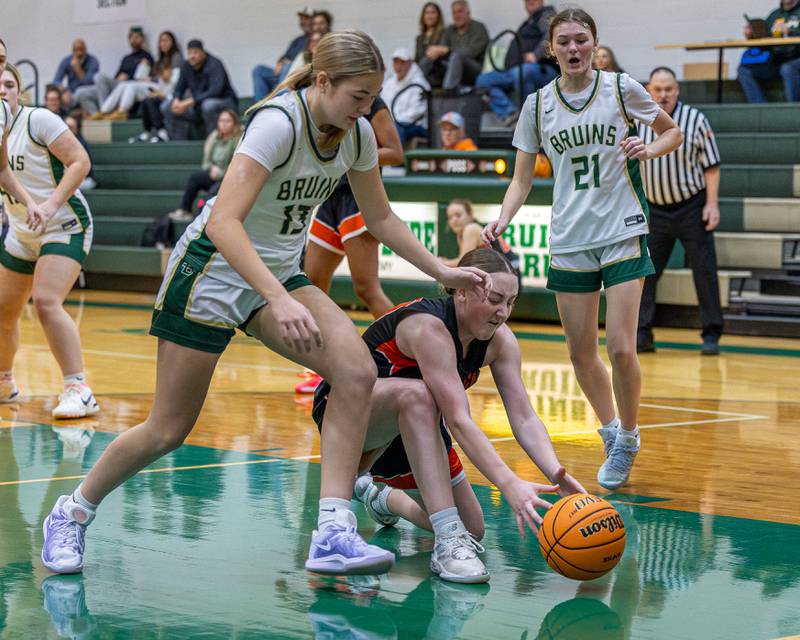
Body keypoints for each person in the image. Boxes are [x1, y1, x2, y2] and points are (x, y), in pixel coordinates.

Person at [40, 30, 489, 578]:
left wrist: (441, 270)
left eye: (373, 98)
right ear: (323, 82)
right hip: (211, 272)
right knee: (168, 428)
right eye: (358, 96)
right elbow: (224, 222)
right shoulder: (278, 123)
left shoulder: (357, 134)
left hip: (275, 272)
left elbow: (381, 217)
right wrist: (279, 298)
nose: (366, 109)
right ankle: (72, 512)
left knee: (356, 370)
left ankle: (332, 530)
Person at [481, 9, 683, 490]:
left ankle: (629, 437)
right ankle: (611, 431)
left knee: (621, 347)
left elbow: (671, 132)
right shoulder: (537, 105)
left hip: (622, 227)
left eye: (581, 39)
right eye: (564, 41)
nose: (574, 48)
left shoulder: (621, 88)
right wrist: (503, 218)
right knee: (580, 353)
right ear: (551, 49)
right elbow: (521, 179)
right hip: (570, 236)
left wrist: (649, 149)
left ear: (594, 42)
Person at [312, 248, 585, 582]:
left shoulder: (500, 342)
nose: (503, 312)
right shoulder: (429, 327)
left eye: (511, 302)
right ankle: (446, 542)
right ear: (461, 292)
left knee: (473, 528)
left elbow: (524, 417)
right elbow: (458, 419)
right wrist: (508, 482)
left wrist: (555, 472)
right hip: (351, 419)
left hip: (415, 429)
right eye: (495, 299)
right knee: (419, 395)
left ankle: (380, 498)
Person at [0, 64, 97, 417]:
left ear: (19, 91)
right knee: (3, 309)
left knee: (45, 301)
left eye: (9, 84)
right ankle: (4, 383)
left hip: (63, 223)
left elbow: (80, 161)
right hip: (20, 230)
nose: (2, 90)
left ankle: (78, 389)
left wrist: (51, 204)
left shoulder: (37, 120)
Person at [637, 67, 723, 355]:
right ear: (648, 91)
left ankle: (711, 334)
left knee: (704, 271)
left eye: (668, 89)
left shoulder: (696, 119)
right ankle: (642, 333)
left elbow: (711, 166)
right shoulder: (637, 121)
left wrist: (712, 204)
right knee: (646, 274)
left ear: (677, 90)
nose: (663, 95)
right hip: (654, 210)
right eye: (658, 89)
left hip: (691, 206)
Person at [475, 0, 558, 126]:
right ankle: (510, 114)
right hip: (514, 70)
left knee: (522, 73)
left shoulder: (546, 14)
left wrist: (536, 55)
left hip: (541, 68)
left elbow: (551, 35)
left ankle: (529, 121)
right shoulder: (529, 21)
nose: (530, 1)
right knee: (483, 80)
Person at [167, 109, 242, 221]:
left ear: (234, 123)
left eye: (228, 121)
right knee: (195, 178)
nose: (224, 124)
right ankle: (185, 210)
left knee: (213, 190)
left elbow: (236, 166)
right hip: (213, 173)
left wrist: (220, 173)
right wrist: (211, 168)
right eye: (221, 120)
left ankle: (203, 220)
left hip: (228, 178)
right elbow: (206, 160)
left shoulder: (238, 140)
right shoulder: (214, 136)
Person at [95, 30, 182, 121]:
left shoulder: (176, 57)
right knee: (124, 84)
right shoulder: (161, 58)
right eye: (161, 41)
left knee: (132, 86)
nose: (163, 43)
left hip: (163, 88)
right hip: (154, 84)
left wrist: (151, 78)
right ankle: (103, 111)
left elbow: (171, 78)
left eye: (166, 40)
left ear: (172, 42)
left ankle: (121, 112)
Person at [165, 39, 238, 140]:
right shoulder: (186, 66)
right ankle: (179, 143)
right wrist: (176, 100)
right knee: (167, 107)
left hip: (225, 102)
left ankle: (213, 142)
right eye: (189, 53)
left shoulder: (215, 64)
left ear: (203, 52)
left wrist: (190, 101)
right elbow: (179, 88)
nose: (192, 56)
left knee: (208, 105)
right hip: (198, 106)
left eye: (195, 52)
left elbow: (215, 91)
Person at [77, 26, 154, 116]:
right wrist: (118, 77)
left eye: (137, 37)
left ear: (142, 39)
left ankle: (104, 111)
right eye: (132, 37)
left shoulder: (146, 57)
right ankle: (97, 115)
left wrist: (128, 77)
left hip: (128, 87)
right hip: (116, 86)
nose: (134, 40)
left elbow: (142, 79)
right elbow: (117, 75)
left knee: (99, 76)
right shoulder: (126, 58)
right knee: (81, 92)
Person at [738, 0, 800, 102]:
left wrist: (790, 31)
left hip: (796, 58)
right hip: (776, 59)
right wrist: (751, 36)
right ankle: (760, 108)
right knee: (744, 70)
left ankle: (794, 108)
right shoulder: (774, 15)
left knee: (788, 68)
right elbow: (764, 43)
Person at [419, 0, 489, 90]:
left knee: (456, 56)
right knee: (429, 57)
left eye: (460, 11)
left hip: (473, 70)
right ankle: (416, 88)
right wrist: (433, 52)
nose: (457, 15)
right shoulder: (449, 30)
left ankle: (448, 91)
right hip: (451, 67)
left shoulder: (479, 28)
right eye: (454, 13)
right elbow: (441, 49)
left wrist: (447, 50)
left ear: (468, 13)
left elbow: (471, 52)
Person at [440, 199, 519, 277]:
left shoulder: (471, 228)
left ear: (470, 215)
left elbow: (463, 263)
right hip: (505, 270)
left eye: (458, 215)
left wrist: (440, 262)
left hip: (509, 272)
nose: (454, 220)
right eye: (450, 217)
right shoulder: (462, 233)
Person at [252, 6, 314, 101]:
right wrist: (279, 62)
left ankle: (276, 100)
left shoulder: (315, 39)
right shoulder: (298, 40)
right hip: (283, 75)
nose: (302, 22)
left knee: (287, 66)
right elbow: (285, 56)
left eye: (306, 19)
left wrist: (287, 65)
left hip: (298, 76)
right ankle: (260, 104)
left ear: (314, 21)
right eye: (301, 19)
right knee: (258, 70)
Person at [382, 48, 430, 146]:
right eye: (396, 62)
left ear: (410, 64)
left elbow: (417, 112)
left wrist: (393, 122)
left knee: (396, 129)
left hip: (416, 125)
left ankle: (395, 155)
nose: (398, 66)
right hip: (393, 123)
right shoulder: (389, 82)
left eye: (402, 63)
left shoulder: (420, 84)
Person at [52, 39, 100, 110]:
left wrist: (78, 69)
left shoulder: (93, 61)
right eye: (76, 50)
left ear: (85, 50)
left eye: (81, 49)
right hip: (71, 93)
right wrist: (64, 92)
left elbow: (89, 83)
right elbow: (56, 81)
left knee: (80, 93)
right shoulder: (66, 61)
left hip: (88, 92)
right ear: (72, 51)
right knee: (57, 97)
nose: (79, 53)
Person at [415, 2, 447, 87]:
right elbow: (417, 59)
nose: (429, 16)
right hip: (423, 73)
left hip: (437, 72)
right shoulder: (419, 38)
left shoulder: (444, 33)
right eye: (427, 13)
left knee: (429, 57)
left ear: (438, 16)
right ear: (423, 16)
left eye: (433, 13)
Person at [64, 115, 97, 191]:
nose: (68, 130)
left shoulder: (81, 143)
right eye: (66, 127)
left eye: (71, 127)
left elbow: (81, 170)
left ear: (76, 129)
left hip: (84, 180)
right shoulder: (63, 142)